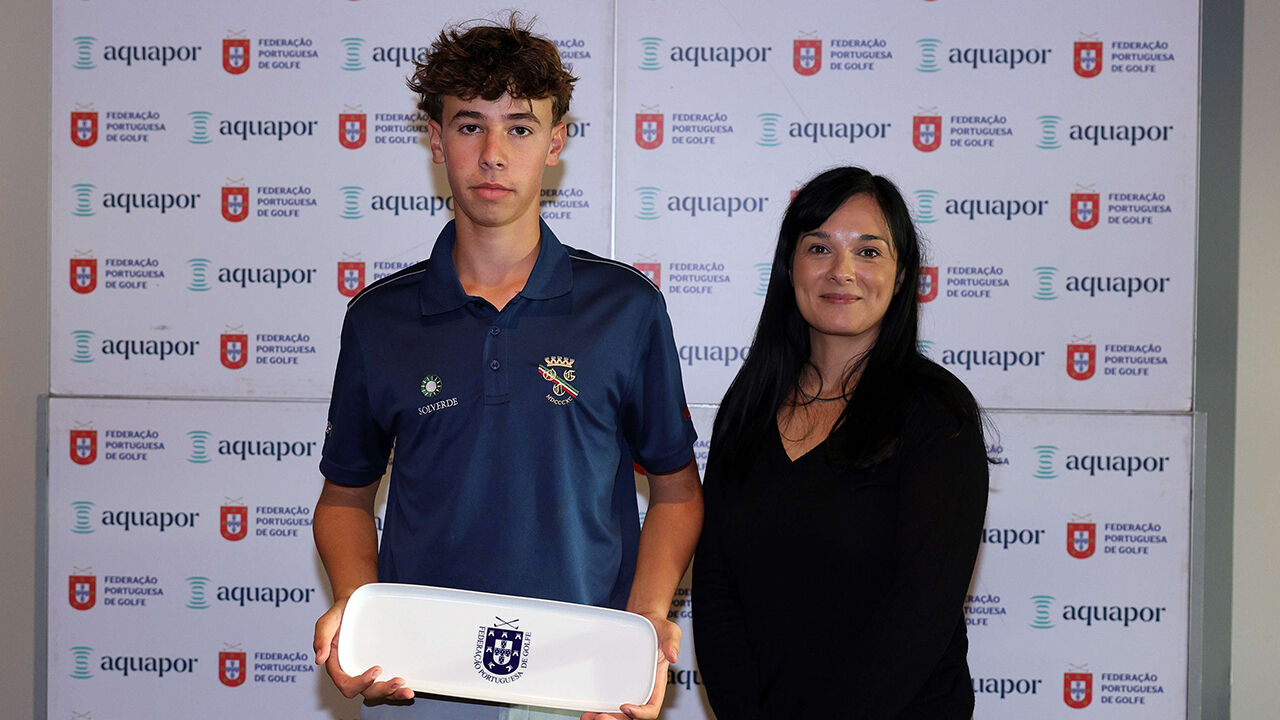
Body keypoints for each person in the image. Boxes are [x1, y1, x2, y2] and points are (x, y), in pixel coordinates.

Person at [311, 15, 703, 720]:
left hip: (583, 685)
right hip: (421, 679)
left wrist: (644, 624)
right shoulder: (379, 319)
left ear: (555, 143)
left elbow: (676, 494)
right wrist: (355, 606)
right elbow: (344, 501)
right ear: (435, 138)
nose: (493, 153)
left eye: (519, 127)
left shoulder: (626, 308)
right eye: (469, 125)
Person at [691, 167, 989, 718]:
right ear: (790, 266)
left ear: (901, 277)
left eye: (869, 252)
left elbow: (920, 615)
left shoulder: (937, 414)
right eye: (819, 247)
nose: (842, 271)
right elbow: (715, 586)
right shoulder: (748, 405)